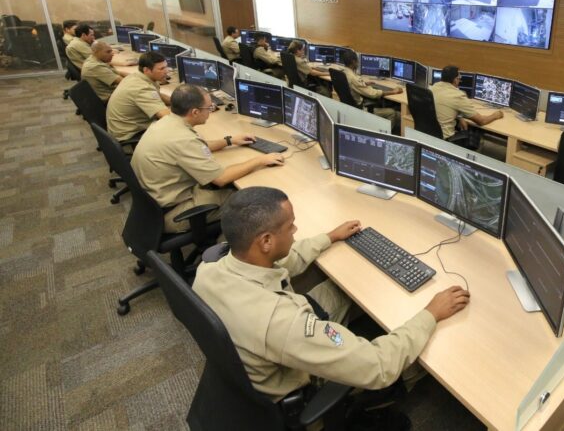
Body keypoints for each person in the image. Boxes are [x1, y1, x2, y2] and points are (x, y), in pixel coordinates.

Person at [193, 186, 470, 402]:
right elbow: (378, 366)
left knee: (345, 288)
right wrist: (430, 314)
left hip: (264, 348)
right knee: (423, 350)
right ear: (266, 240)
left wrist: (330, 236)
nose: (295, 231)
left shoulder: (210, 270)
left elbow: (286, 260)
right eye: (290, 226)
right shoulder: (285, 324)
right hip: (300, 374)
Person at [131, 85, 284, 233]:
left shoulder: (167, 123)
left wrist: (229, 141)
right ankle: (232, 242)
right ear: (195, 112)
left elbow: (197, 147)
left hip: (155, 204)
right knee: (252, 199)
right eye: (208, 108)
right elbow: (221, 179)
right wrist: (260, 160)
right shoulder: (183, 139)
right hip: (174, 212)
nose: (211, 111)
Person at [106, 51, 171, 141]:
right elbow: (166, 116)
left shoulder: (137, 77)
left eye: (166, 67)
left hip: (122, 127)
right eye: (161, 69)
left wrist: (179, 102)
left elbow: (157, 95)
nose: (166, 71)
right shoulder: (142, 88)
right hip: (130, 133)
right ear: (146, 70)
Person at [431, 65, 503, 139]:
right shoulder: (457, 95)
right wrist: (496, 115)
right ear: (455, 80)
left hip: (429, 135)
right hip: (444, 138)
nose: (459, 81)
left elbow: (445, 107)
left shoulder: (432, 88)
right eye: (459, 78)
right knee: (476, 136)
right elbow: (481, 121)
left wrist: (460, 117)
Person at [341, 49, 401, 131]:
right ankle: (381, 136)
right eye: (357, 61)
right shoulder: (353, 78)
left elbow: (354, 85)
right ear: (353, 62)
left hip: (351, 107)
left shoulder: (344, 72)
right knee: (392, 113)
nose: (358, 63)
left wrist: (364, 83)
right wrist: (393, 91)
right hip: (361, 109)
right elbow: (373, 94)